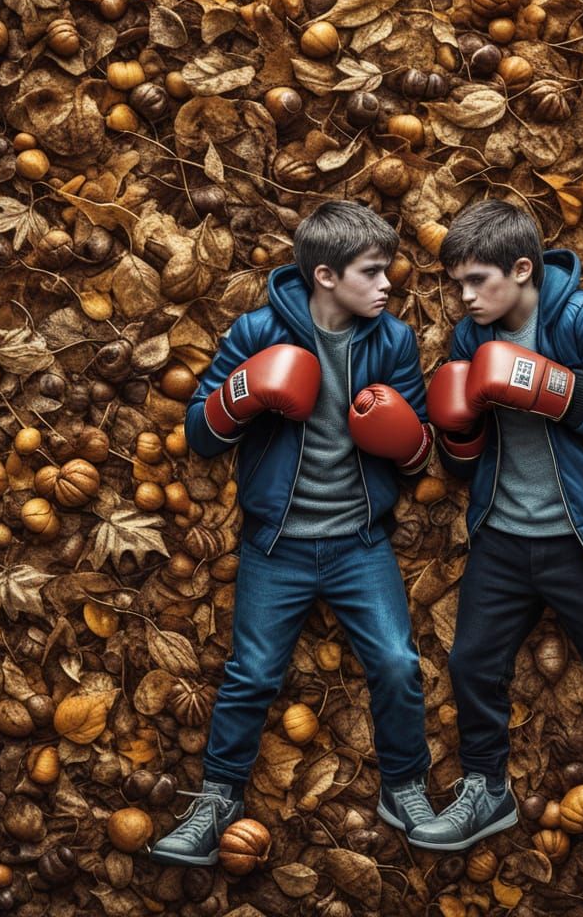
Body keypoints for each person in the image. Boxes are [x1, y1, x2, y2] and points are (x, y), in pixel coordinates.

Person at [150, 201, 436, 865]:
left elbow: (421, 454)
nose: (388, 283)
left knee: (397, 664)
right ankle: (217, 801)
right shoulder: (257, 330)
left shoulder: (389, 339)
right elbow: (199, 433)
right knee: (250, 674)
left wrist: (401, 434)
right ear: (328, 276)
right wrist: (245, 393)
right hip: (275, 542)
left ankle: (405, 787)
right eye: (373, 272)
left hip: (360, 541)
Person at [408, 199, 583, 854]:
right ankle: (486, 791)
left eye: (478, 281)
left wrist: (549, 386)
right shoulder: (470, 338)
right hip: (502, 537)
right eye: (457, 284)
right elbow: (465, 457)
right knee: (474, 664)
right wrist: (454, 432)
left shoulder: (582, 318)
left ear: (524, 268)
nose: (466, 297)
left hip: (579, 535)